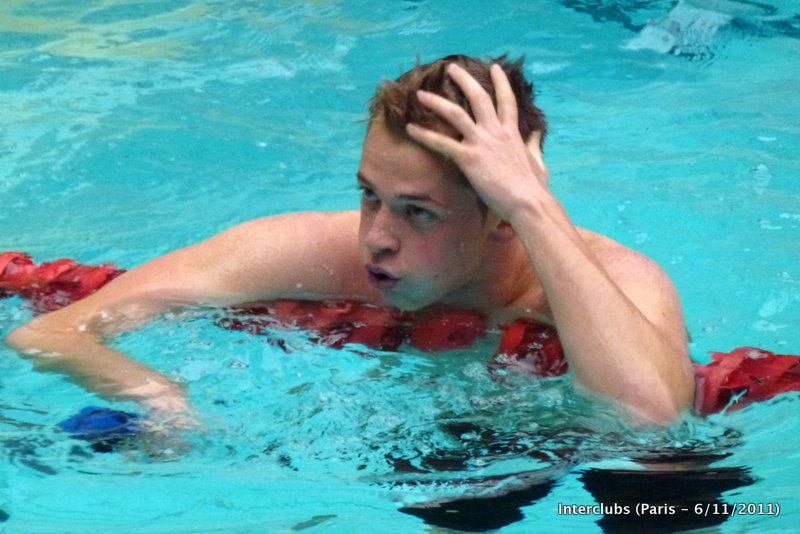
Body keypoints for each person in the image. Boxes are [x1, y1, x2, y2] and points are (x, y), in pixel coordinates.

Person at [3, 54, 695, 425]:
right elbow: (49, 332)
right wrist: (156, 394)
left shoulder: (618, 280)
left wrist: (532, 204)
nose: (377, 239)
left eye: (417, 212)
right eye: (369, 195)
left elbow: (649, 420)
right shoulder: (314, 252)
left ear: (503, 218)